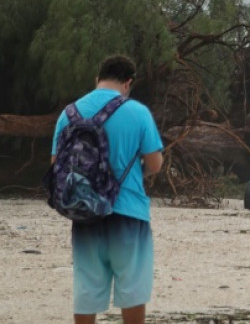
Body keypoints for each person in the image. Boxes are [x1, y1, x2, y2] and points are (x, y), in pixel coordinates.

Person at [51, 55, 164, 324]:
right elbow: (155, 164)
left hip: (84, 212)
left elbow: (55, 165)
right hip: (128, 211)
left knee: (86, 288)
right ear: (128, 83)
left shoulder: (68, 114)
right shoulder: (138, 112)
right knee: (133, 289)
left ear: (97, 79)